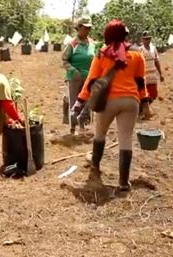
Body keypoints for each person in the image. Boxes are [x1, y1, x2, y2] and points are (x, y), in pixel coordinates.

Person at [73, 20, 150, 191]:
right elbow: (140, 82)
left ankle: (95, 166)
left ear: (108, 35)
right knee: (126, 139)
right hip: (131, 102)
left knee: (100, 134)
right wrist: (145, 104)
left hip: (108, 101)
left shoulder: (101, 54)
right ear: (124, 35)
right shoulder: (137, 55)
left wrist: (80, 101)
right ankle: (123, 182)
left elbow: (91, 80)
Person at [62, 17, 95, 134]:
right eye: (85, 27)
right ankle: (73, 127)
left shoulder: (91, 43)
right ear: (79, 28)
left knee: (87, 101)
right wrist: (73, 70)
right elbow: (64, 60)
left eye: (89, 28)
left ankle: (83, 124)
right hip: (75, 77)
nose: (87, 30)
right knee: (74, 101)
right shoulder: (72, 43)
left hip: (89, 78)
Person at [139, 31, 164, 119]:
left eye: (149, 38)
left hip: (152, 74)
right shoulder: (140, 49)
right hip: (143, 74)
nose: (147, 40)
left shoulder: (153, 48)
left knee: (154, 94)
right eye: (146, 39)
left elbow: (157, 61)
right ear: (142, 39)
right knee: (144, 94)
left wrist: (160, 74)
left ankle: (142, 109)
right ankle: (143, 111)